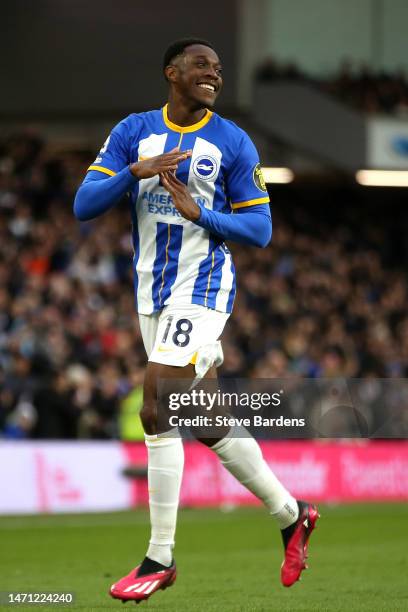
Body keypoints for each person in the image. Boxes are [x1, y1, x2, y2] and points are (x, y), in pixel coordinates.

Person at [74, 37, 319, 604]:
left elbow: (259, 232)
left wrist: (201, 213)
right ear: (172, 72)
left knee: (157, 402)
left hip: (204, 286)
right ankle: (292, 515)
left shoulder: (233, 142)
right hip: (151, 293)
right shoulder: (134, 131)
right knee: (203, 418)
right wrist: (133, 172)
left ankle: (159, 557)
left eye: (218, 68)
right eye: (202, 65)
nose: (214, 74)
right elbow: (85, 204)